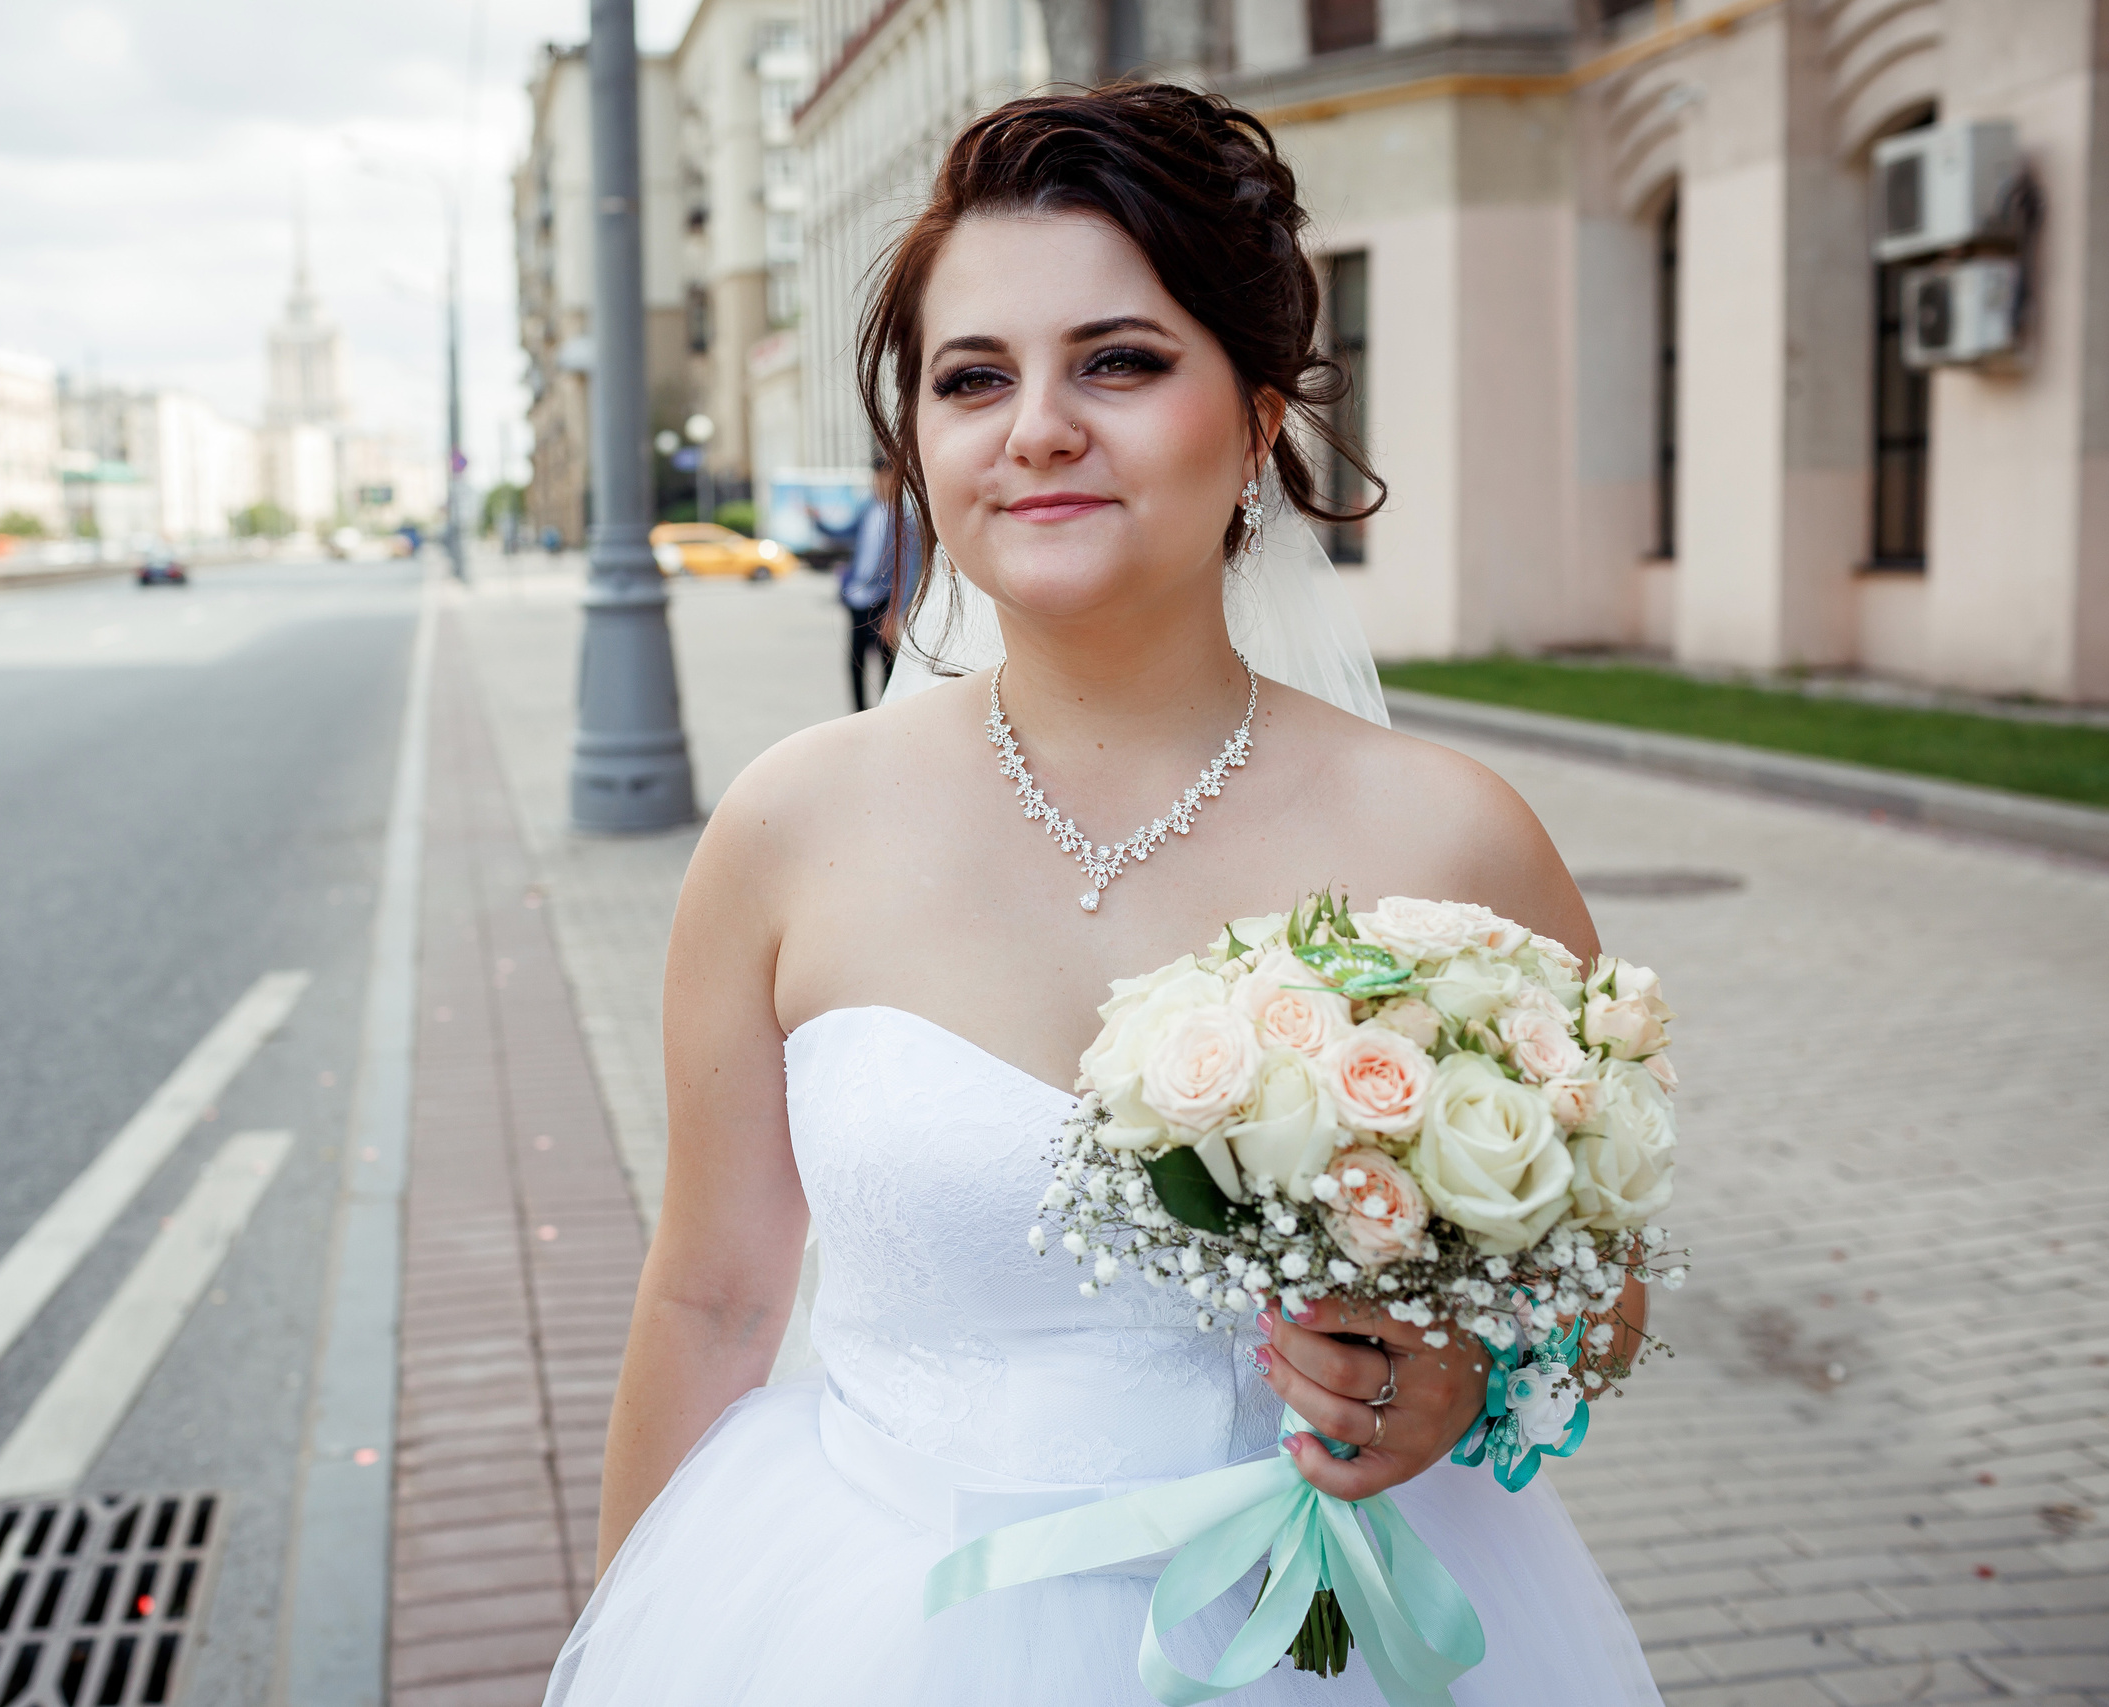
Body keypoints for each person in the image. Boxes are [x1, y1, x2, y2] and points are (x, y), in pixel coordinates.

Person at [548, 84, 1659, 1705]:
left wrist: (1464, 1378)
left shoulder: (1453, 839)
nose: (1038, 427)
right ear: (919, 442)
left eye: (1120, 361)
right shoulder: (790, 825)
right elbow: (714, 1294)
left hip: (1331, 1635)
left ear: (1260, 410)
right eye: (972, 378)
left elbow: (1604, 1293)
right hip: (870, 1619)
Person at [838, 456, 909, 711]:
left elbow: (909, 567)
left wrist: (898, 612)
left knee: (887, 662)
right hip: (857, 597)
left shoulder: (905, 514)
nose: (879, 482)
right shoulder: (868, 507)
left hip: (884, 600)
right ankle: (858, 713)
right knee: (856, 661)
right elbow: (843, 532)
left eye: (885, 476)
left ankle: (886, 711)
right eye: (876, 476)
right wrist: (816, 520)